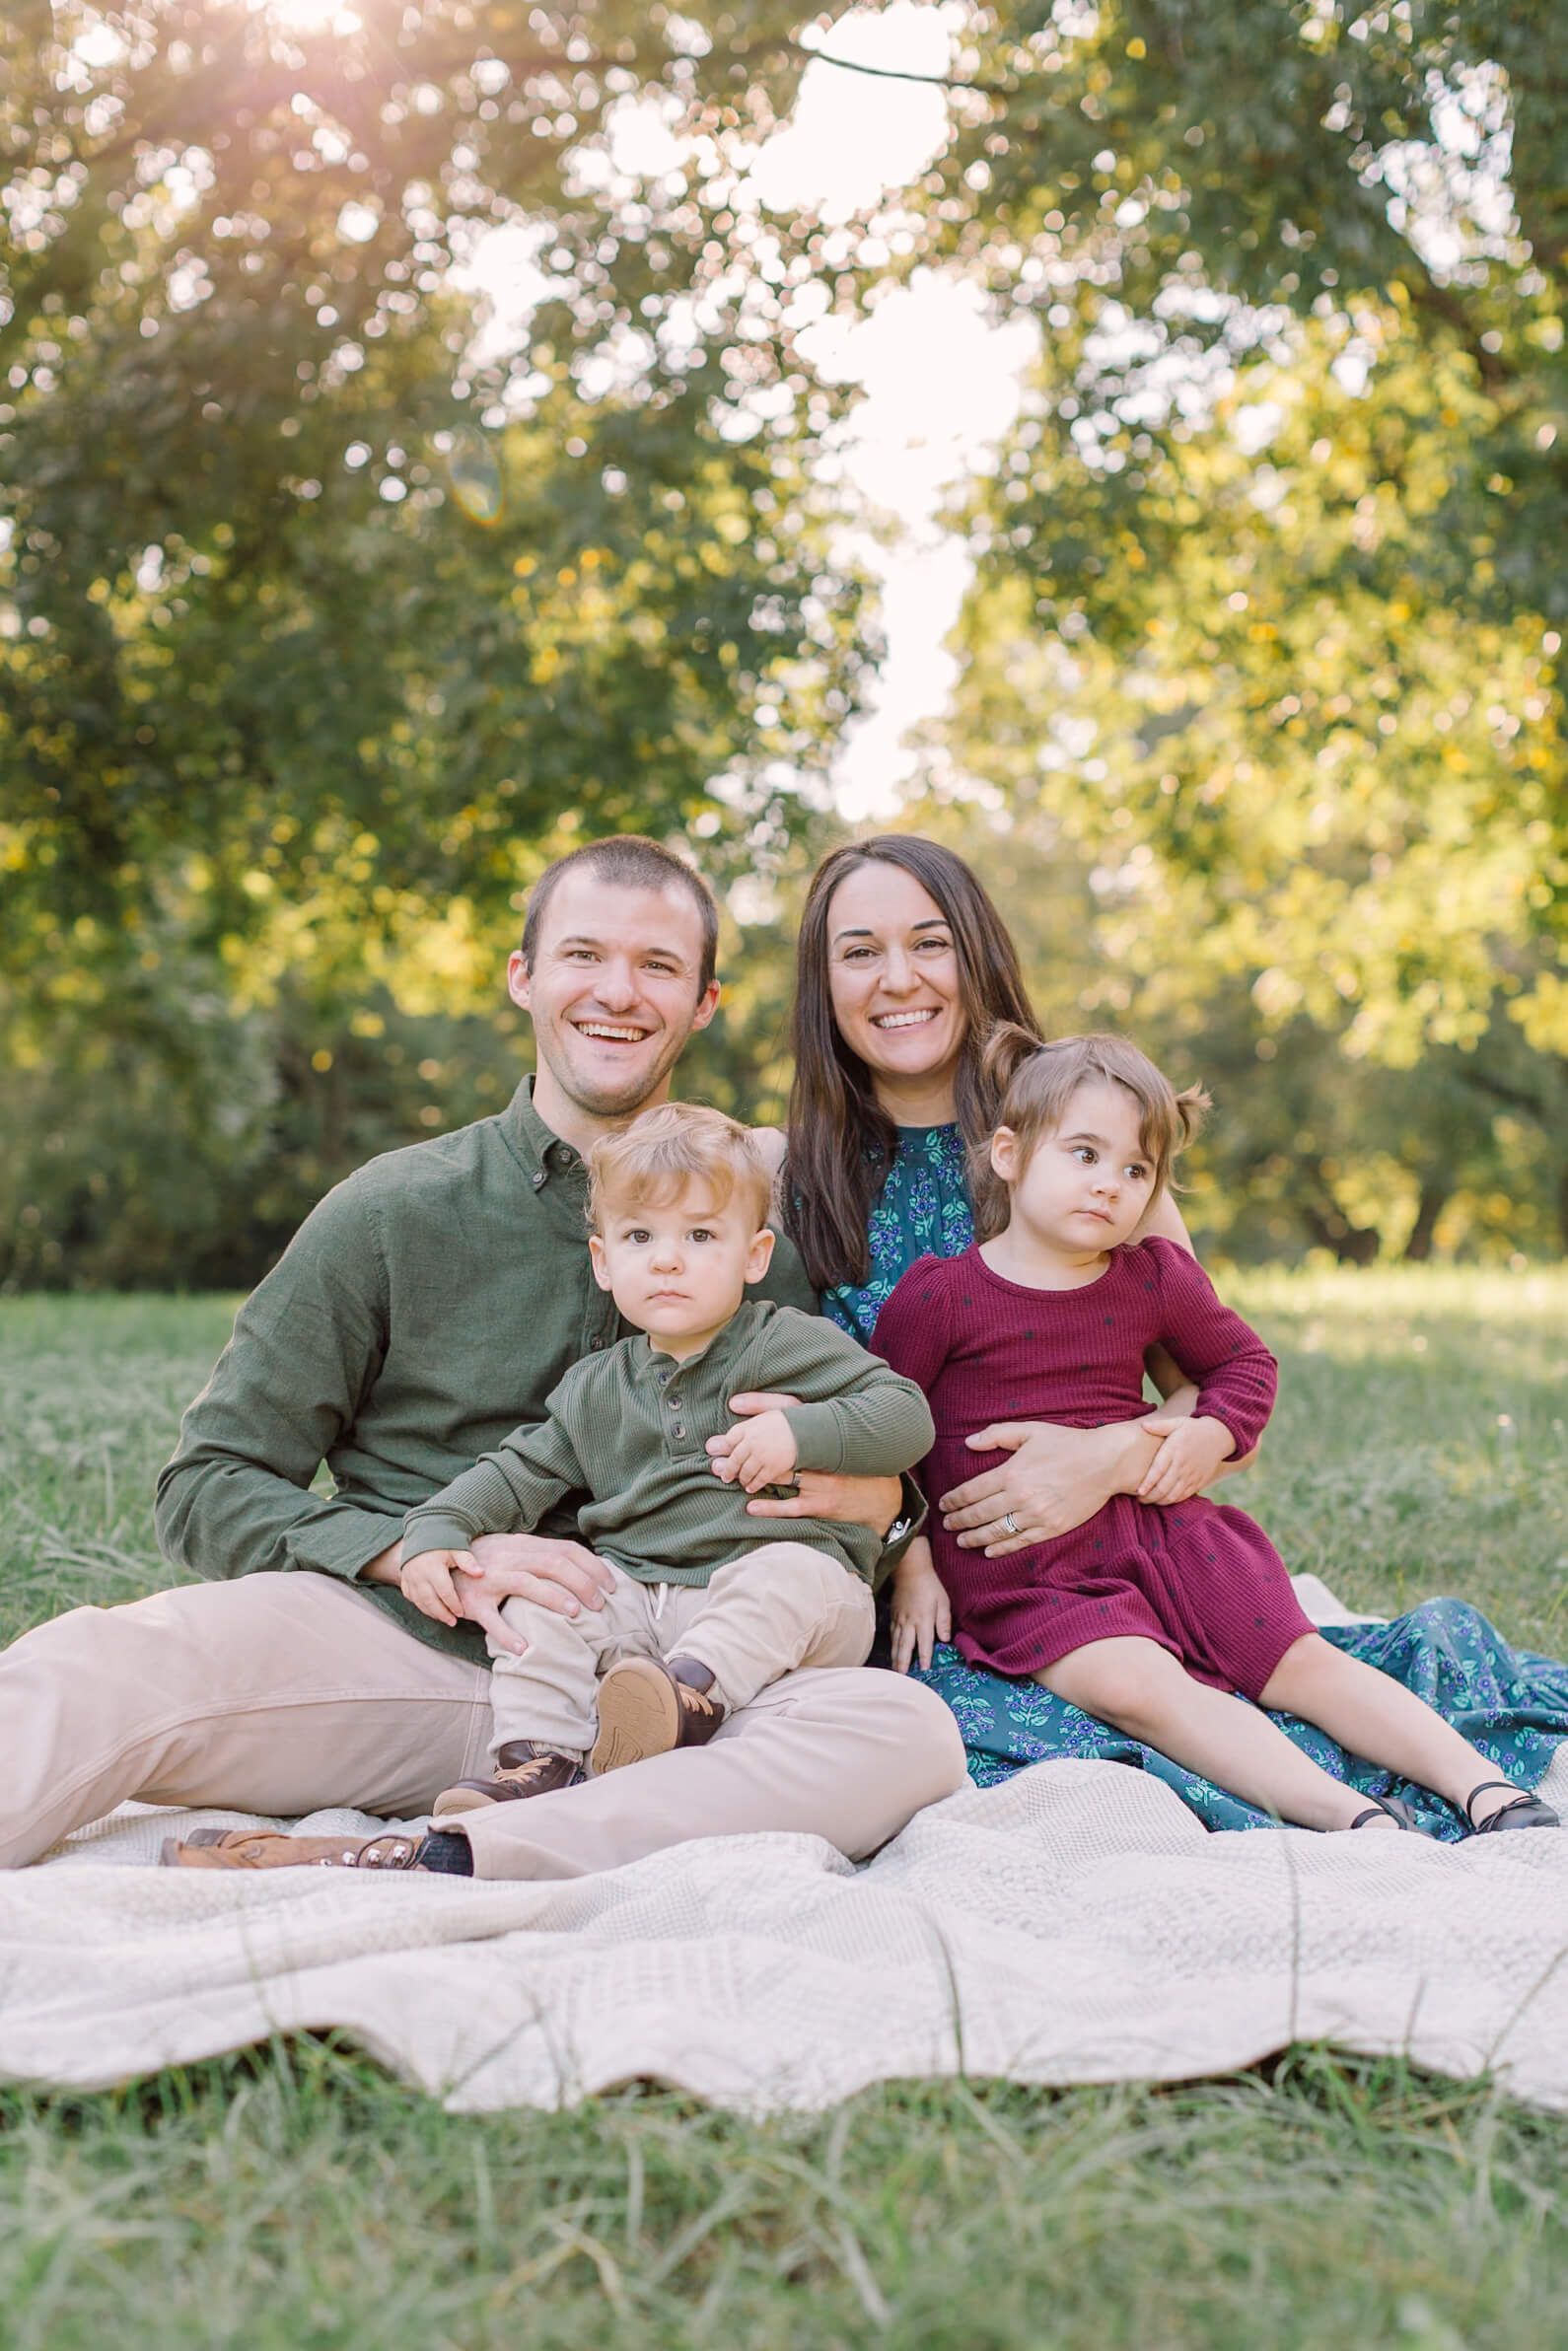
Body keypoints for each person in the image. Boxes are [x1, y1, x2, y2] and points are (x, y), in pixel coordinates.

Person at [2, 834, 966, 1879]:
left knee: (900, 1737)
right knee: (99, 1663)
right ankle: (495, 1831)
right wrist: (428, 1551)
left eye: (658, 966)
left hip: (679, 1676)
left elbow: (856, 1443)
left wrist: (889, 1511)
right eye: (584, 955)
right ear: (525, 977)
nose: (618, 992)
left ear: (703, 1003)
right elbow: (206, 1484)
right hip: (412, 1650)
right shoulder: (393, 1208)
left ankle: (432, 1856)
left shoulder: (752, 1226)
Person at [763, 832, 1568, 1836]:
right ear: (820, 978)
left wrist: (1105, 1457)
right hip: (978, 1579)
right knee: (1047, 1723)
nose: (899, 978)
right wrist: (910, 1553)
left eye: (929, 942)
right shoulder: (796, 1177)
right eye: (859, 951)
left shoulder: (1089, 1130)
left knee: (1273, 1668)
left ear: (974, 956)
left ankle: (1467, 1794)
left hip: (1139, 1527)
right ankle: (1344, 1813)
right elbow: (849, 1415)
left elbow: (1216, 1374)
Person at [873, 1026, 1558, 1835]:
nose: (1109, 1185)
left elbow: (1244, 1365)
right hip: (1023, 1572)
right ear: (1010, 1154)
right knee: (1139, 1687)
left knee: (1297, 1663)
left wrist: (1211, 1432)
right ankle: (1359, 1821)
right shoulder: (939, 1295)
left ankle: (1488, 1791)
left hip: (1163, 1534)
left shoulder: (1152, 1278)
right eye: (1084, 1155)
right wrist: (914, 1560)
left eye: (1135, 1169)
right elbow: (886, 1432)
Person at [394, 1102, 932, 1814]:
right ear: (604, 1261)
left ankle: (690, 1697)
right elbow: (517, 1471)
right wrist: (437, 1530)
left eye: (701, 1234)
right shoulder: (597, 1387)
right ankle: (538, 1762)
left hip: (794, 1599)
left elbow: (907, 1418)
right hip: (646, 1607)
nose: (668, 1258)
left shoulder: (783, 1343)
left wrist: (803, 1434)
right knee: (541, 1604)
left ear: (755, 1256)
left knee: (788, 1575)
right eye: (640, 1236)